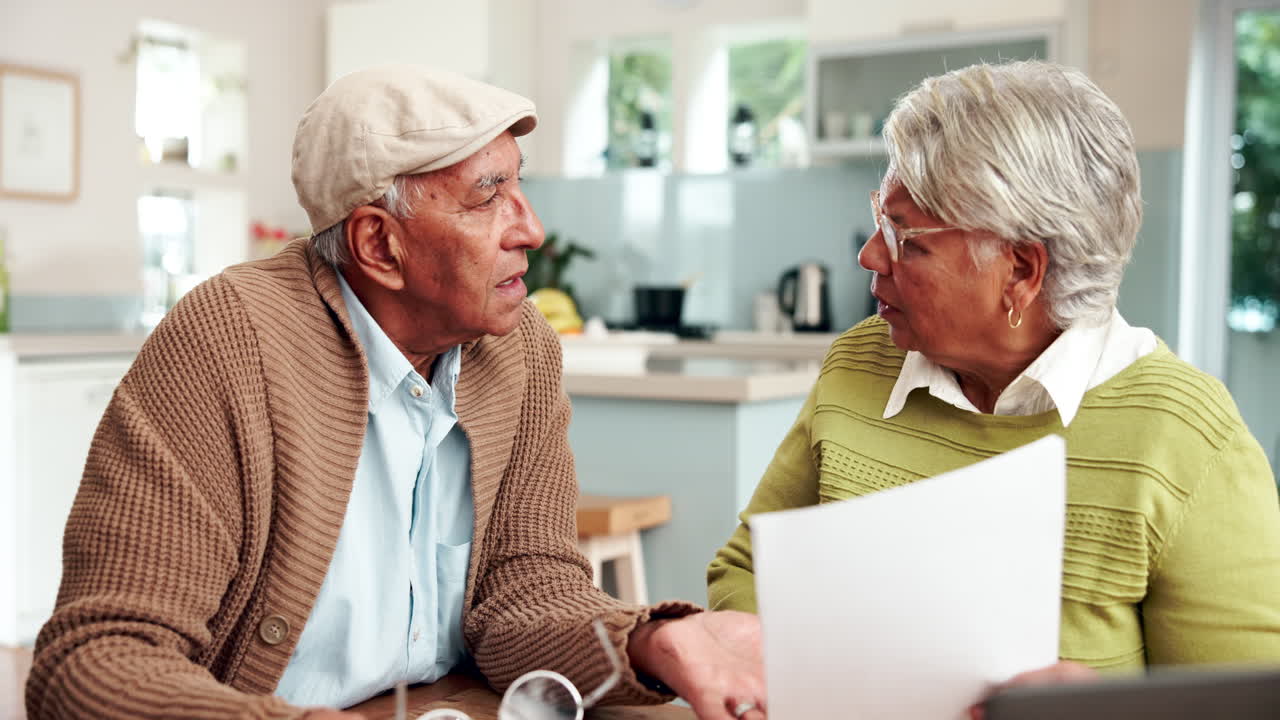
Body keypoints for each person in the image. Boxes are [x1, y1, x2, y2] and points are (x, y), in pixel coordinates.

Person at [27, 65, 764, 720]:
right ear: (379, 244)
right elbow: (94, 662)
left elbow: (525, 589)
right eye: (488, 196)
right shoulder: (226, 343)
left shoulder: (520, 348)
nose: (531, 229)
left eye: (520, 182)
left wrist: (648, 640)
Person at [708, 59, 1280, 685]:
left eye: (908, 239)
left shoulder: (1187, 440)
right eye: (880, 220)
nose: (870, 256)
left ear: (1022, 271)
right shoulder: (859, 364)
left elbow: (1238, 703)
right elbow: (748, 570)